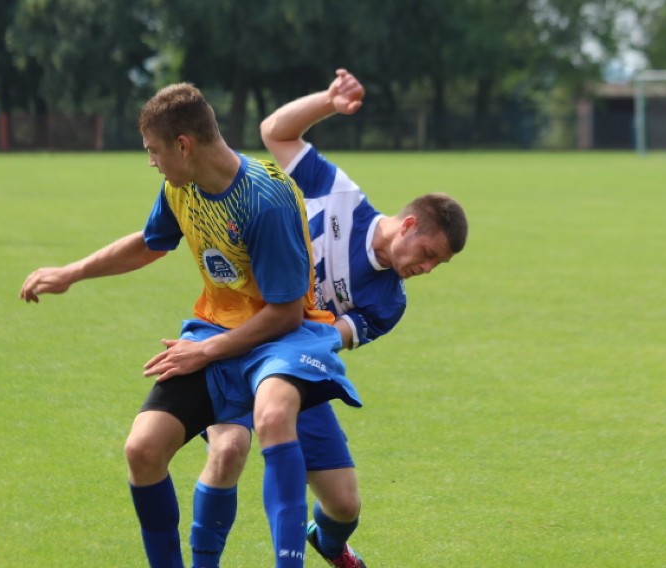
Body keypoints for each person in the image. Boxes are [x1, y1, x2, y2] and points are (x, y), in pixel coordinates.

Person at [18, 82, 361, 568]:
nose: (151, 162)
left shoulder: (266, 201)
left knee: (325, 481)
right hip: (216, 335)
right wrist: (73, 272)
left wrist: (203, 353)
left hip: (279, 346)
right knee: (143, 448)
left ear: (184, 145)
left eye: (154, 151)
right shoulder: (181, 189)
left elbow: (284, 313)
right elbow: (151, 242)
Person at [190, 69, 469, 567]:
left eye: (436, 265)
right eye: (426, 253)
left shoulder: (390, 302)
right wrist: (328, 101)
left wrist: (296, 338)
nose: (424, 269)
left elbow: (329, 338)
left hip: (294, 363)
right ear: (407, 225)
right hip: (236, 337)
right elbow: (276, 132)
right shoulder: (341, 196)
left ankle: (329, 542)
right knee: (228, 450)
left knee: (344, 505)